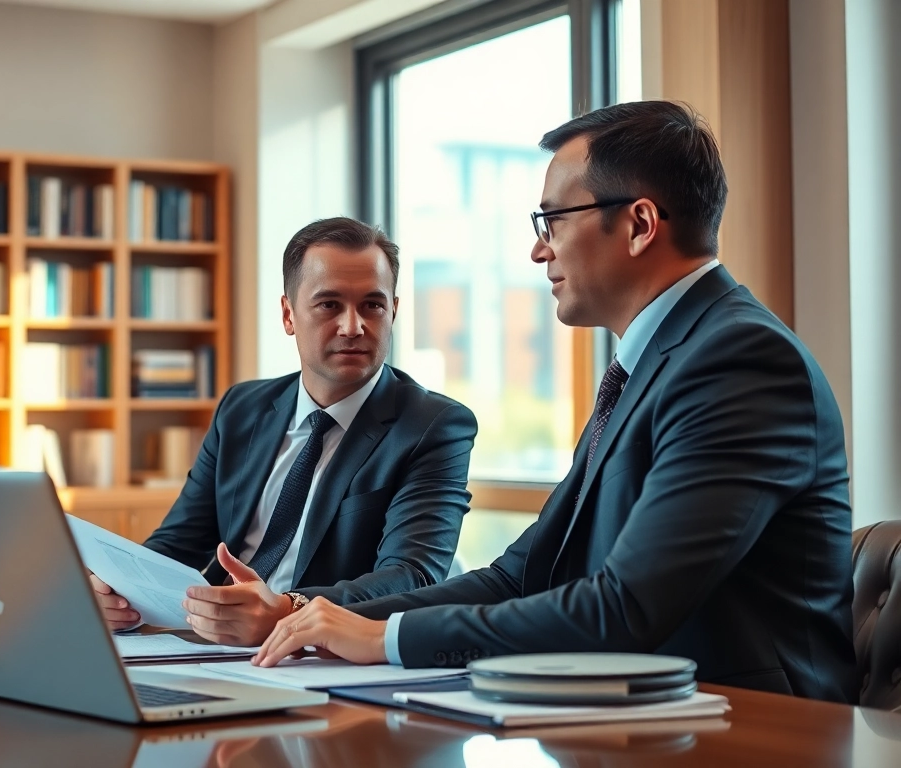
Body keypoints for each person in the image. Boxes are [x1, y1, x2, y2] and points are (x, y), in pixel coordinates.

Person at [251, 101, 857, 704]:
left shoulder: (738, 360)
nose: (539, 251)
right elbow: (518, 576)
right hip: (635, 715)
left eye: (552, 221)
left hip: (752, 726)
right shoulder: (652, 365)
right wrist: (311, 619)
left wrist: (387, 639)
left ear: (640, 224)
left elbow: (626, 606)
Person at [91, 216, 478, 646]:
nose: (353, 326)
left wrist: (289, 609)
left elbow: (412, 576)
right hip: (210, 640)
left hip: (319, 653)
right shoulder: (242, 409)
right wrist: (117, 589)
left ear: (393, 312)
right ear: (289, 314)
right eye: (329, 305)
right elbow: (179, 541)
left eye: (372, 305)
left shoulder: (433, 426)